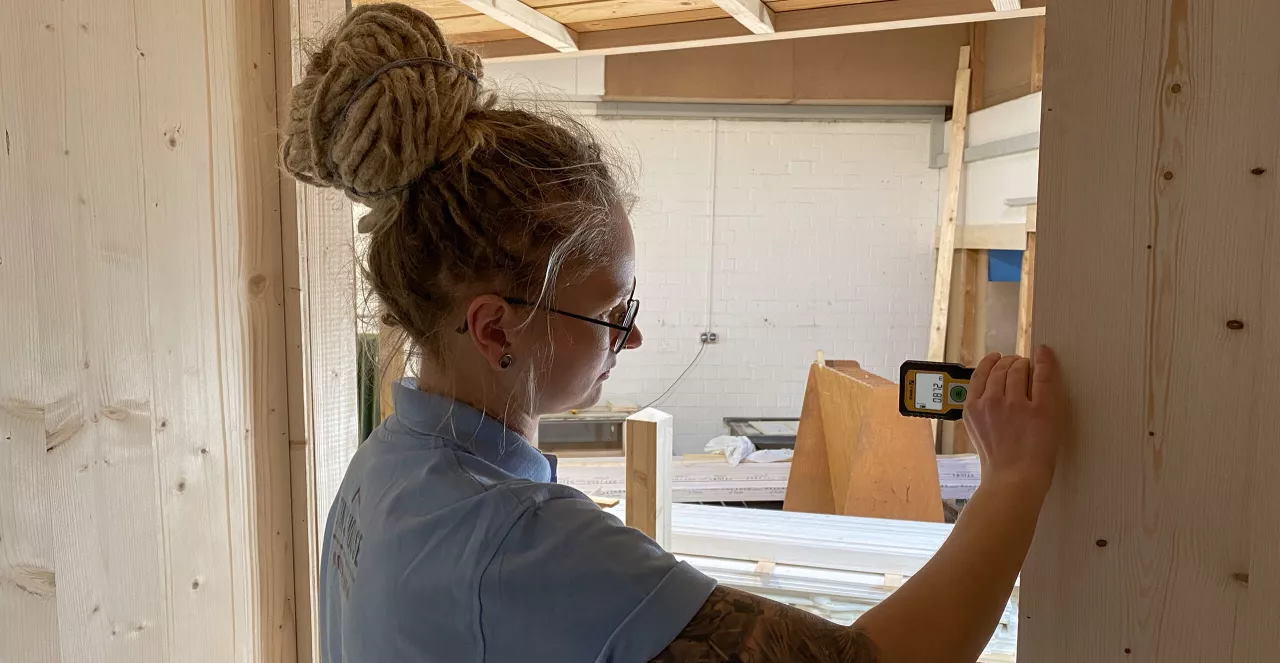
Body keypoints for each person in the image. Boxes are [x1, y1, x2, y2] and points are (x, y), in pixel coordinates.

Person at [281, 4, 1068, 662]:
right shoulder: (526, 540)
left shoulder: (385, 467)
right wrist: (1014, 477)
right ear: (495, 330)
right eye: (611, 313)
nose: (632, 338)